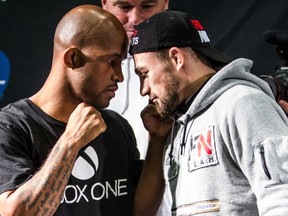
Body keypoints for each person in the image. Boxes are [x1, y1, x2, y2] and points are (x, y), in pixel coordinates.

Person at [130, 10, 288, 215]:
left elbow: (282, 198)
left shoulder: (243, 103)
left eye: (145, 74)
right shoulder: (180, 122)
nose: (143, 88)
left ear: (176, 58)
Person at [0, 5, 142, 216]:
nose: (119, 76)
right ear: (72, 58)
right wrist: (70, 143)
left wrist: (158, 141)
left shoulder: (117, 127)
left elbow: (140, 209)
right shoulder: (11, 126)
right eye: (111, 62)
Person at [101, 1, 172, 215]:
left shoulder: (187, 67)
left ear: (165, 3)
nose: (134, 18)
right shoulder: (82, 72)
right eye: (124, 6)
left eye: (147, 6)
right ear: (104, 3)